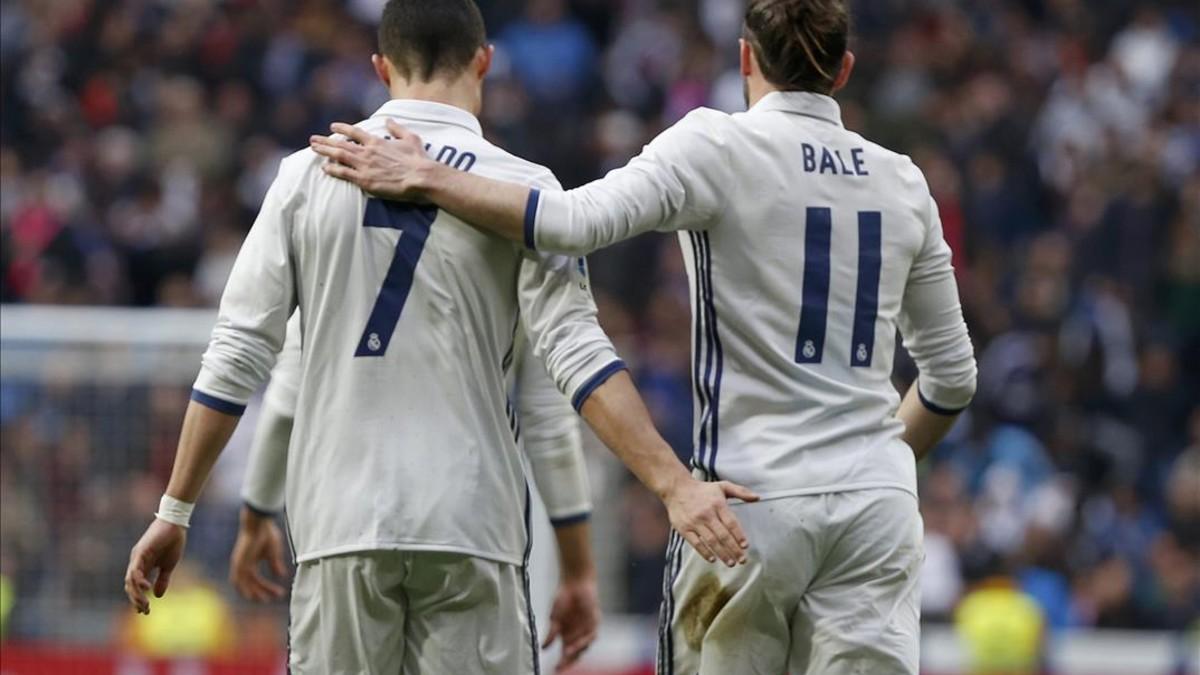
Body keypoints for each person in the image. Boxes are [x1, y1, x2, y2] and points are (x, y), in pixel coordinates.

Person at [308, 0, 978, 672]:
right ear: (844, 71)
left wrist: (429, 175)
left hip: (751, 506)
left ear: (746, 57)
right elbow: (952, 377)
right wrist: (869, 466)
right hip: (877, 512)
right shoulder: (904, 182)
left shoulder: (716, 146)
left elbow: (569, 221)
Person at [122, 1, 757, 673]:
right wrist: (673, 484)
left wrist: (176, 508)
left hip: (340, 521)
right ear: (483, 60)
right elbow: (574, 364)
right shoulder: (522, 190)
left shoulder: (308, 174)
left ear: (381, 66)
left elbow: (238, 355)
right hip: (470, 522)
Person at [228, 314, 603, 670]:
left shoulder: (322, 248)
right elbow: (549, 423)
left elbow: (284, 406)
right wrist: (577, 569)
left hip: (344, 523)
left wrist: (256, 515)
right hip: (469, 524)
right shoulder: (526, 249)